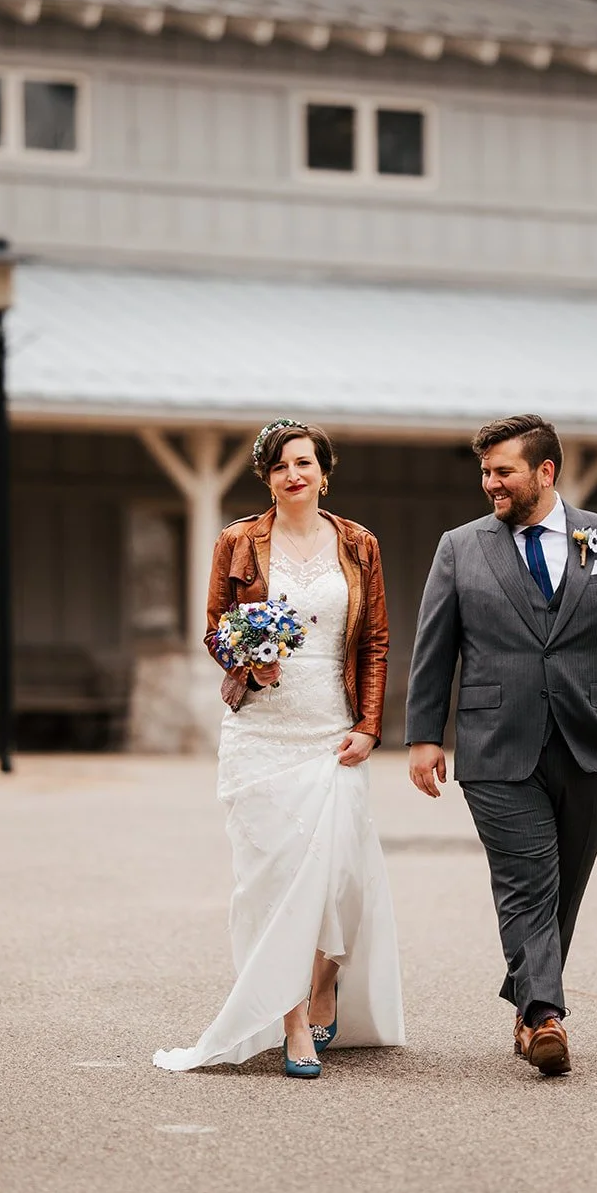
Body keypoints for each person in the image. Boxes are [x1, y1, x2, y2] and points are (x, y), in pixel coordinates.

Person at [405, 414, 597, 1076]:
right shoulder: (460, 548)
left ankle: (526, 1002)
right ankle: (545, 1014)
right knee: (526, 880)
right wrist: (424, 736)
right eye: (484, 471)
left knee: (562, 886)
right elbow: (434, 648)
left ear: (544, 472)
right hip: (494, 742)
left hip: (595, 741)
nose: (489, 483)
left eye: (502, 471)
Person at [154, 418, 405, 1079]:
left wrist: (369, 725)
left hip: (331, 732)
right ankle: (293, 1018)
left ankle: (324, 982)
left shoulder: (358, 544)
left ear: (325, 470)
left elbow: (374, 640)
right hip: (260, 734)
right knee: (268, 880)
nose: (292, 475)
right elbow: (213, 628)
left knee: (338, 880)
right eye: (278, 467)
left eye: (304, 463)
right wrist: (244, 655)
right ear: (265, 478)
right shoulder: (238, 541)